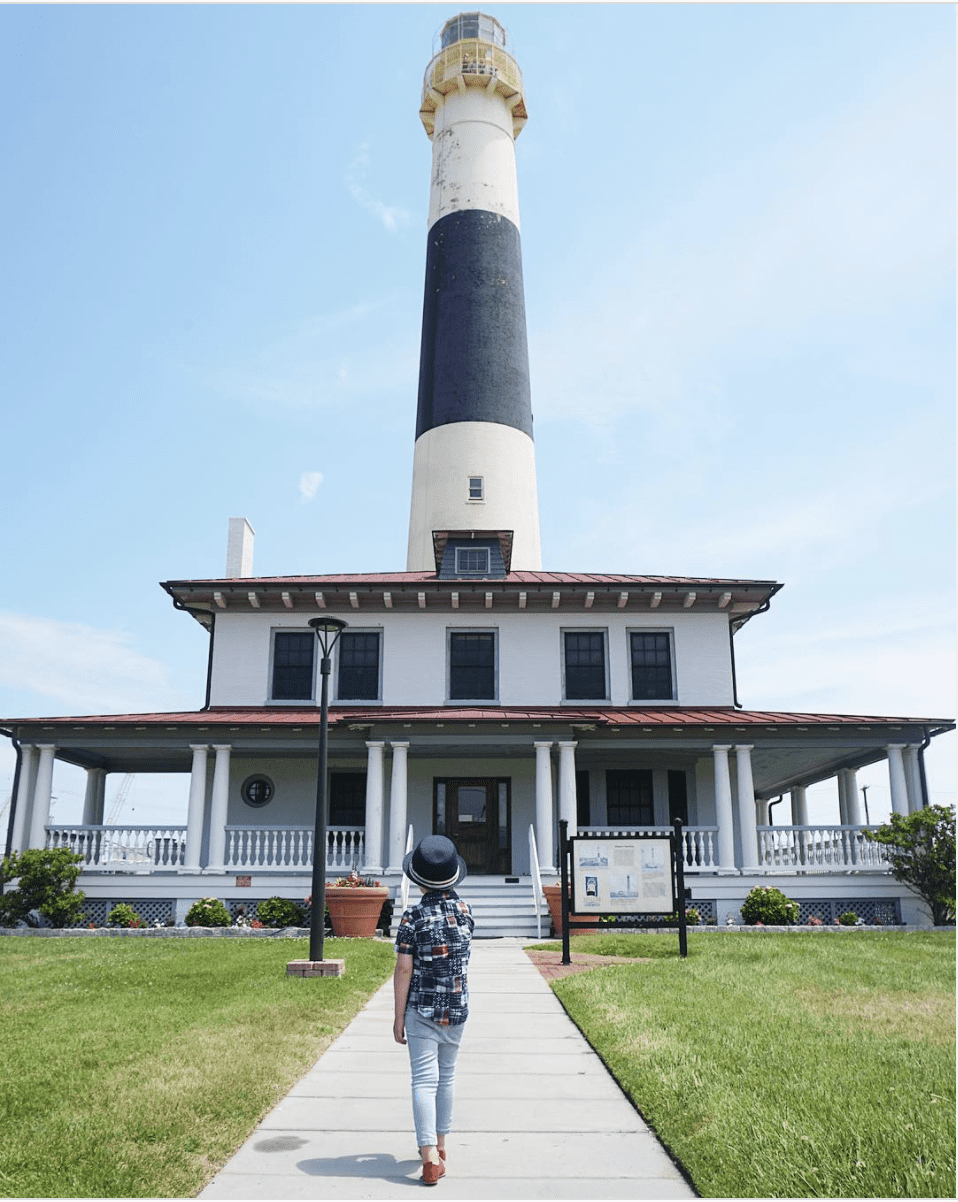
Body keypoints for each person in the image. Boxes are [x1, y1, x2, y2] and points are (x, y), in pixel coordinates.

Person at [393, 835, 474, 1185]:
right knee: (447, 1077)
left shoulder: (412, 916)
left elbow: (403, 968)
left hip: (423, 1007)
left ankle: (427, 1154)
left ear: (417, 877)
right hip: (456, 1007)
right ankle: (441, 1147)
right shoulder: (466, 911)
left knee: (424, 1081)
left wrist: (398, 1017)